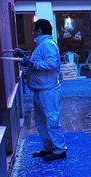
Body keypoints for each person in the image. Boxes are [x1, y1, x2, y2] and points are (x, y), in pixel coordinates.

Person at [14, 19, 67, 161]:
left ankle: (59, 149)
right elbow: (38, 63)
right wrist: (25, 58)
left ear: (39, 31)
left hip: (48, 90)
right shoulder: (43, 45)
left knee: (52, 119)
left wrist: (30, 62)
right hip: (41, 89)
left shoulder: (47, 45)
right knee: (41, 121)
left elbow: (51, 63)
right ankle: (49, 147)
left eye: (34, 30)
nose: (32, 32)